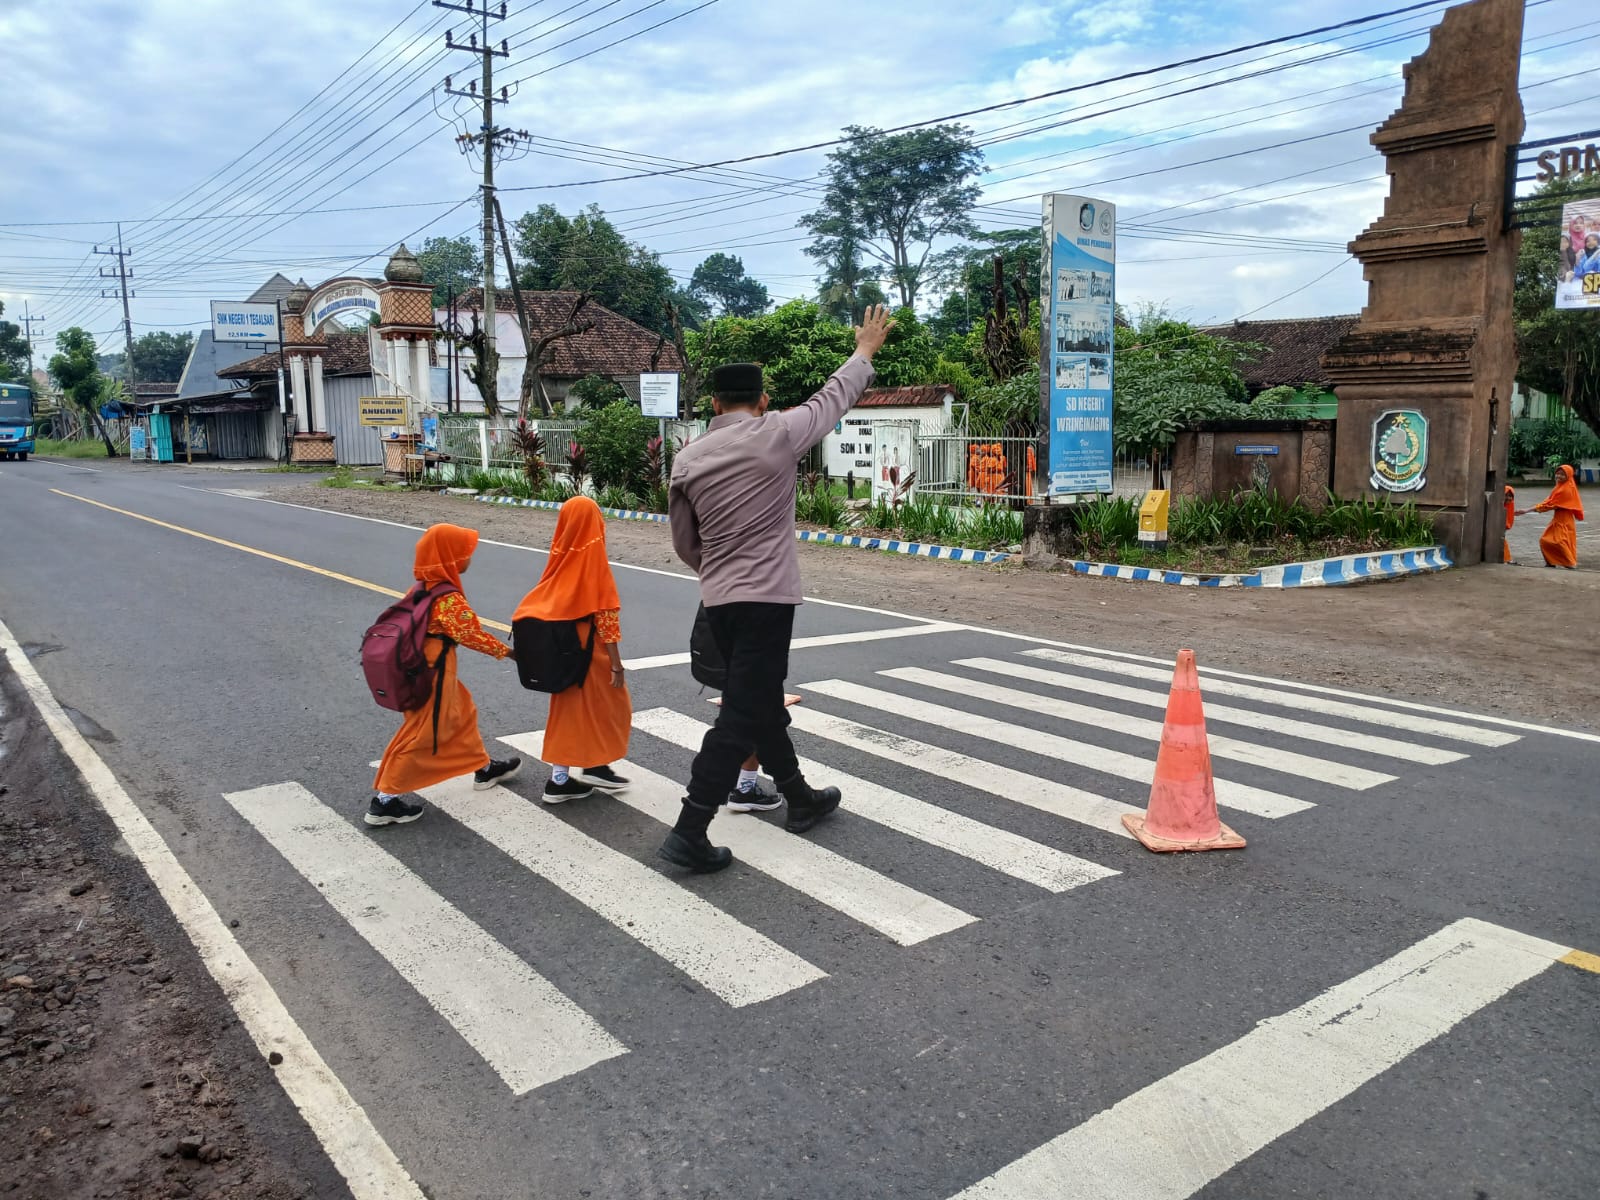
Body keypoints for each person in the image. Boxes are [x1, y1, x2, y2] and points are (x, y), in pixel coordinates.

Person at [659, 305, 896, 872]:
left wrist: (717, 569)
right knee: (741, 713)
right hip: (767, 600)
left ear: (714, 405)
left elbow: (684, 543)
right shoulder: (779, 434)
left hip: (719, 598)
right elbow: (832, 398)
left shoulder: (687, 458)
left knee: (760, 700)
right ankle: (690, 829)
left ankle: (800, 797)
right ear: (761, 401)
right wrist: (864, 350)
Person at [369, 523, 521, 826]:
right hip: (432, 675)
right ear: (449, 557)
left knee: (461, 714)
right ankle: (385, 801)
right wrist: (512, 654)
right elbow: (470, 635)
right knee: (424, 732)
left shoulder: (424, 587)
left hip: (424, 670)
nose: (469, 558)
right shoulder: (447, 597)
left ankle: (484, 767)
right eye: (464, 553)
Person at [514, 496, 632, 802]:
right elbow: (606, 620)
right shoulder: (593, 562)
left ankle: (592, 766)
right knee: (611, 710)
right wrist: (617, 666)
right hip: (590, 657)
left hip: (563, 656)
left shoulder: (560, 557)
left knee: (569, 713)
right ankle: (560, 780)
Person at [1519, 464, 1584, 569]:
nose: (1558, 476)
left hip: (1564, 520)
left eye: (1562, 474)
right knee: (1546, 540)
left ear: (1568, 475)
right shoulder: (1561, 486)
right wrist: (1531, 508)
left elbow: (1550, 505)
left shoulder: (1566, 489)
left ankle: (1570, 563)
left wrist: (1527, 510)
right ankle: (1551, 562)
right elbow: (1549, 500)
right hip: (1559, 518)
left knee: (1559, 541)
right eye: (1557, 473)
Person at [1503, 484, 1517, 564]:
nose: (1509, 498)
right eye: (1506, 495)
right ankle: (1506, 559)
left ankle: (1506, 559)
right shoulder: (1497, 505)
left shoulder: (1510, 504)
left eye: (1511, 496)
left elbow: (1509, 518)